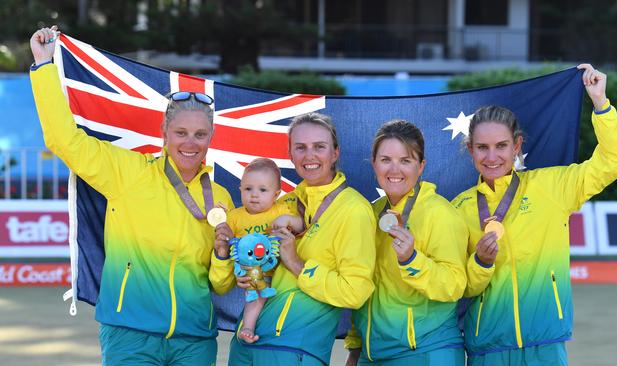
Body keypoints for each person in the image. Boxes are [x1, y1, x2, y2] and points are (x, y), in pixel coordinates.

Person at [30, 26, 235, 365]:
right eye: (180, 132)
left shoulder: (222, 196)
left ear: (211, 137)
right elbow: (65, 141)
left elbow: (220, 283)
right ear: (163, 133)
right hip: (130, 334)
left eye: (200, 134)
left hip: (196, 338)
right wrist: (43, 67)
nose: (190, 143)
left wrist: (223, 255)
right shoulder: (128, 172)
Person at [452, 64, 617, 365]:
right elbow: (459, 286)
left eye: (501, 146)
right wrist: (480, 261)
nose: (492, 157)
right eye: (482, 147)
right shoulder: (458, 209)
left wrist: (600, 103)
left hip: (546, 343)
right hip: (486, 347)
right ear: (470, 149)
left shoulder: (552, 187)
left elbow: (614, 161)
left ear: (517, 146)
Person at [210, 112, 377, 366]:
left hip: (295, 350)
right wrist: (234, 262)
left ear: (335, 153)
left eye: (319, 147)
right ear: (290, 154)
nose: (309, 156)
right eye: (300, 147)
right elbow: (231, 278)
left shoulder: (354, 210)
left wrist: (297, 264)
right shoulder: (283, 203)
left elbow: (355, 293)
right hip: (246, 344)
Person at [345, 120, 468, 365]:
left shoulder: (439, 213)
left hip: (426, 351)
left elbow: (454, 285)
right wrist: (356, 348)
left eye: (405, 160)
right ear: (373, 163)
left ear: (421, 166)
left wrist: (412, 260)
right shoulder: (372, 213)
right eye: (386, 159)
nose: (395, 169)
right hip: (374, 354)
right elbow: (366, 286)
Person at [226, 157, 304, 343]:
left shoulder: (279, 210)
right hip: (254, 273)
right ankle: (248, 327)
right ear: (240, 189)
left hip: (281, 271)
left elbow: (302, 225)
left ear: (276, 194)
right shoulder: (235, 216)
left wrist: (289, 220)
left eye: (262, 190)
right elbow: (228, 243)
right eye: (248, 189)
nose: (254, 195)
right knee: (255, 298)